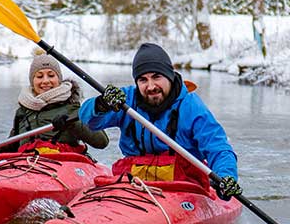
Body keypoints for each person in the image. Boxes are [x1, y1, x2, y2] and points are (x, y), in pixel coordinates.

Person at [78, 42, 242, 200]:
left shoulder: (191, 106)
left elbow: (218, 148)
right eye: (143, 80)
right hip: (134, 185)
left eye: (156, 77)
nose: (150, 86)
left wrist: (226, 177)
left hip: (182, 187)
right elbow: (88, 119)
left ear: (169, 75)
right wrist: (101, 104)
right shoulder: (126, 100)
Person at [0, 53, 108, 156]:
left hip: (62, 166)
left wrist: (72, 123)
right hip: (28, 164)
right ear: (32, 81)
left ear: (58, 79)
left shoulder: (73, 107)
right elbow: (12, 145)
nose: (45, 81)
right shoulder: (23, 112)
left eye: (51, 75)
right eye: (39, 76)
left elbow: (102, 142)